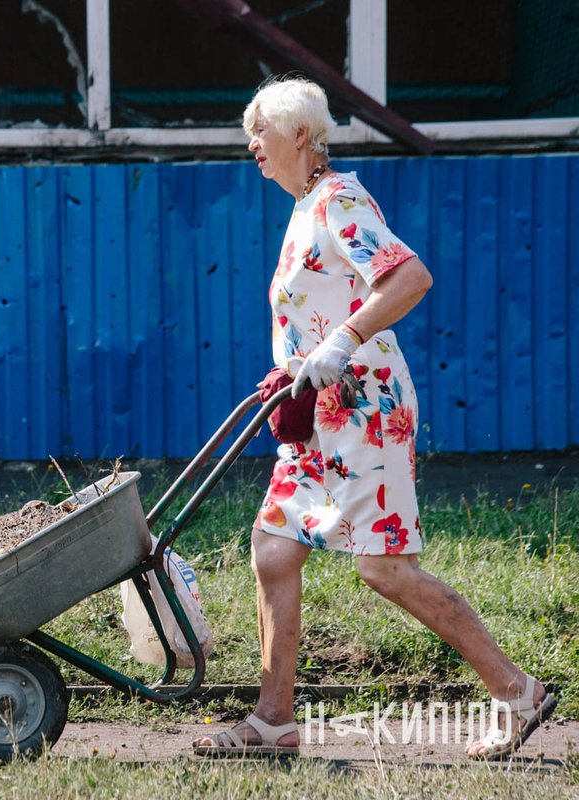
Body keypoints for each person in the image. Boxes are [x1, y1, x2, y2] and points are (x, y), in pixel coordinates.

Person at [192, 77, 555, 759]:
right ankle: (274, 722)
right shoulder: (306, 206)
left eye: (260, 130)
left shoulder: (338, 200)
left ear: (300, 134)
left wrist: (341, 341)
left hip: (365, 409)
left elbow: (409, 276)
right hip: (317, 413)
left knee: (384, 569)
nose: (252, 144)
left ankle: (517, 692)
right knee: (273, 549)